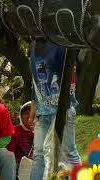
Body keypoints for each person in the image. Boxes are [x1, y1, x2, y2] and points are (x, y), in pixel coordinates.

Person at [29, 38, 81, 180]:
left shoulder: (61, 43)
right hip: (42, 111)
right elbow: (34, 79)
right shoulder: (32, 46)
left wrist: (66, 106)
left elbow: (72, 74)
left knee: (68, 151)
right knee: (38, 153)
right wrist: (33, 102)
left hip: (62, 108)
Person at [7, 101, 34, 168]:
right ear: (21, 116)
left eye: (32, 113)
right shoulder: (14, 131)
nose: (29, 116)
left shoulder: (40, 133)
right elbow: (10, 154)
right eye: (26, 113)